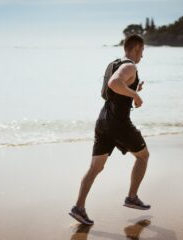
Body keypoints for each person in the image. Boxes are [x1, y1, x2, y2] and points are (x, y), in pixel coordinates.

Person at [69, 34, 150, 225]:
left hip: (103, 121)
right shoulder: (130, 66)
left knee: (96, 167)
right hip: (118, 124)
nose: (142, 56)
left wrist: (133, 90)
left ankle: (78, 208)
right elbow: (115, 83)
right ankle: (132, 197)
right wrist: (135, 97)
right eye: (143, 51)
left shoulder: (114, 63)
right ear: (137, 48)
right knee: (143, 156)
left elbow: (112, 91)